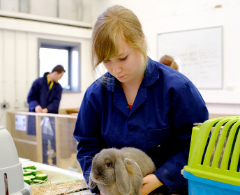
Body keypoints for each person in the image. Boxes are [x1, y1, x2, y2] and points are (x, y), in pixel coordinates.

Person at [73, 5, 208, 195]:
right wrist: (101, 185)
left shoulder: (178, 90)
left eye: (122, 58)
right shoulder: (95, 95)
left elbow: (198, 148)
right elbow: (87, 146)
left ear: (141, 41)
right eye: (106, 61)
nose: (115, 70)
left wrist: (161, 178)